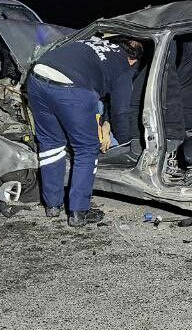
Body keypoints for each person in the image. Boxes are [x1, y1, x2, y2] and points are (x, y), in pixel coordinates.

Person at [27, 35, 142, 226]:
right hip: (71, 88)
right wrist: (123, 143)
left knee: (50, 144)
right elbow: (121, 111)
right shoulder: (124, 66)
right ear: (134, 60)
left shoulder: (93, 41)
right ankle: (79, 212)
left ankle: (52, 205)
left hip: (37, 77)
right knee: (86, 148)